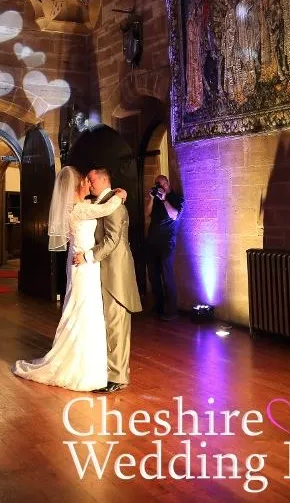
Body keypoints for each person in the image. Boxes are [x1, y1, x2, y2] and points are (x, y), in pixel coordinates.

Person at [12, 166, 126, 391]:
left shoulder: (83, 206)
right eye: (85, 180)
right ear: (77, 185)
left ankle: (92, 362)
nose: (88, 183)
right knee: (83, 311)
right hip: (83, 266)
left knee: (87, 310)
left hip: (86, 265)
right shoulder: (76, 209)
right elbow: (107, 208)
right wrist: (120, 195)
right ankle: (81, 366)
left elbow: (98, 207)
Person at [73, 168, 142, 393]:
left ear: (104, 179)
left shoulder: (114, 206)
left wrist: (88, 256)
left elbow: (112, 240)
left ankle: (118, 377)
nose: (89, 184)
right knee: (109, 325)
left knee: (116, 326)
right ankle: (109, 370)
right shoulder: (103, 203)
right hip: (102, 272)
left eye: (92, 180)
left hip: (115, 273)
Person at [144, 174, 183, 321]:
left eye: (162, 184)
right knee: (153, 276)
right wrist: (152, 198)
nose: (160, 187)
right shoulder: (156, 199)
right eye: (157, 184)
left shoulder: (176, 198)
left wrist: (164, 199)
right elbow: (147, 213)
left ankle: (172, 311)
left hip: (167, 243)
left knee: (167, 276)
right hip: (152, 242)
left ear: (168, 184)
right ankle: (158, 307)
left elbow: (174, 215)